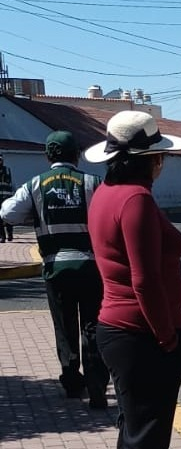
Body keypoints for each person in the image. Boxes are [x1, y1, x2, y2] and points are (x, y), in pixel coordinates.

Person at [84, 110, 181, 449]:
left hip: (120, 331)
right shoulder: (136, 202)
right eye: (159, 156)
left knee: (137, 436)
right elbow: (146, 281)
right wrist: (166, 334)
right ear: (149, 159)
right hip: (142, 334)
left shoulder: (107, 193)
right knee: (145, 440)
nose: (163, 163)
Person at [0, 132, 109, 405]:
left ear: (48, 156)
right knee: (93, 326)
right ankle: (97, 387)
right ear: (77, 154)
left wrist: (35, 213)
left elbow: (7, 214)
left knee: (65, 327)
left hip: (55, 269)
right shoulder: (92, 183)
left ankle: (72, 382)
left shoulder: (35, 185)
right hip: (90, 267)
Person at [0, 155, 14, 242]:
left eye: (0, 160)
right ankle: (2, 236)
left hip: (6, 196)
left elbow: (10, 182)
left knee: (7, 215)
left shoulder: (7, 170)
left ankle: (10, 234)